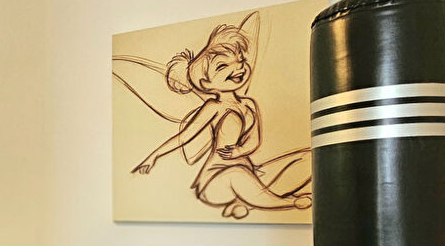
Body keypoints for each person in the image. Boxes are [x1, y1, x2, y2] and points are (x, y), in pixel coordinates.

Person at [124, 11, 310, 218]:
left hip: (249, 172)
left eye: (240, 59)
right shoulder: (213, 107)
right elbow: (185, 136)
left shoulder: (249, 104)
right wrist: (153, 156)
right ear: (205, 83)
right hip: (216, 180)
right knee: (236, 176)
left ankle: (244, 204)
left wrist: (240, 151)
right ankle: (286, 202)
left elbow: (254, 140)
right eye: (223, 66)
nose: (238, 67)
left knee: (308, 159)